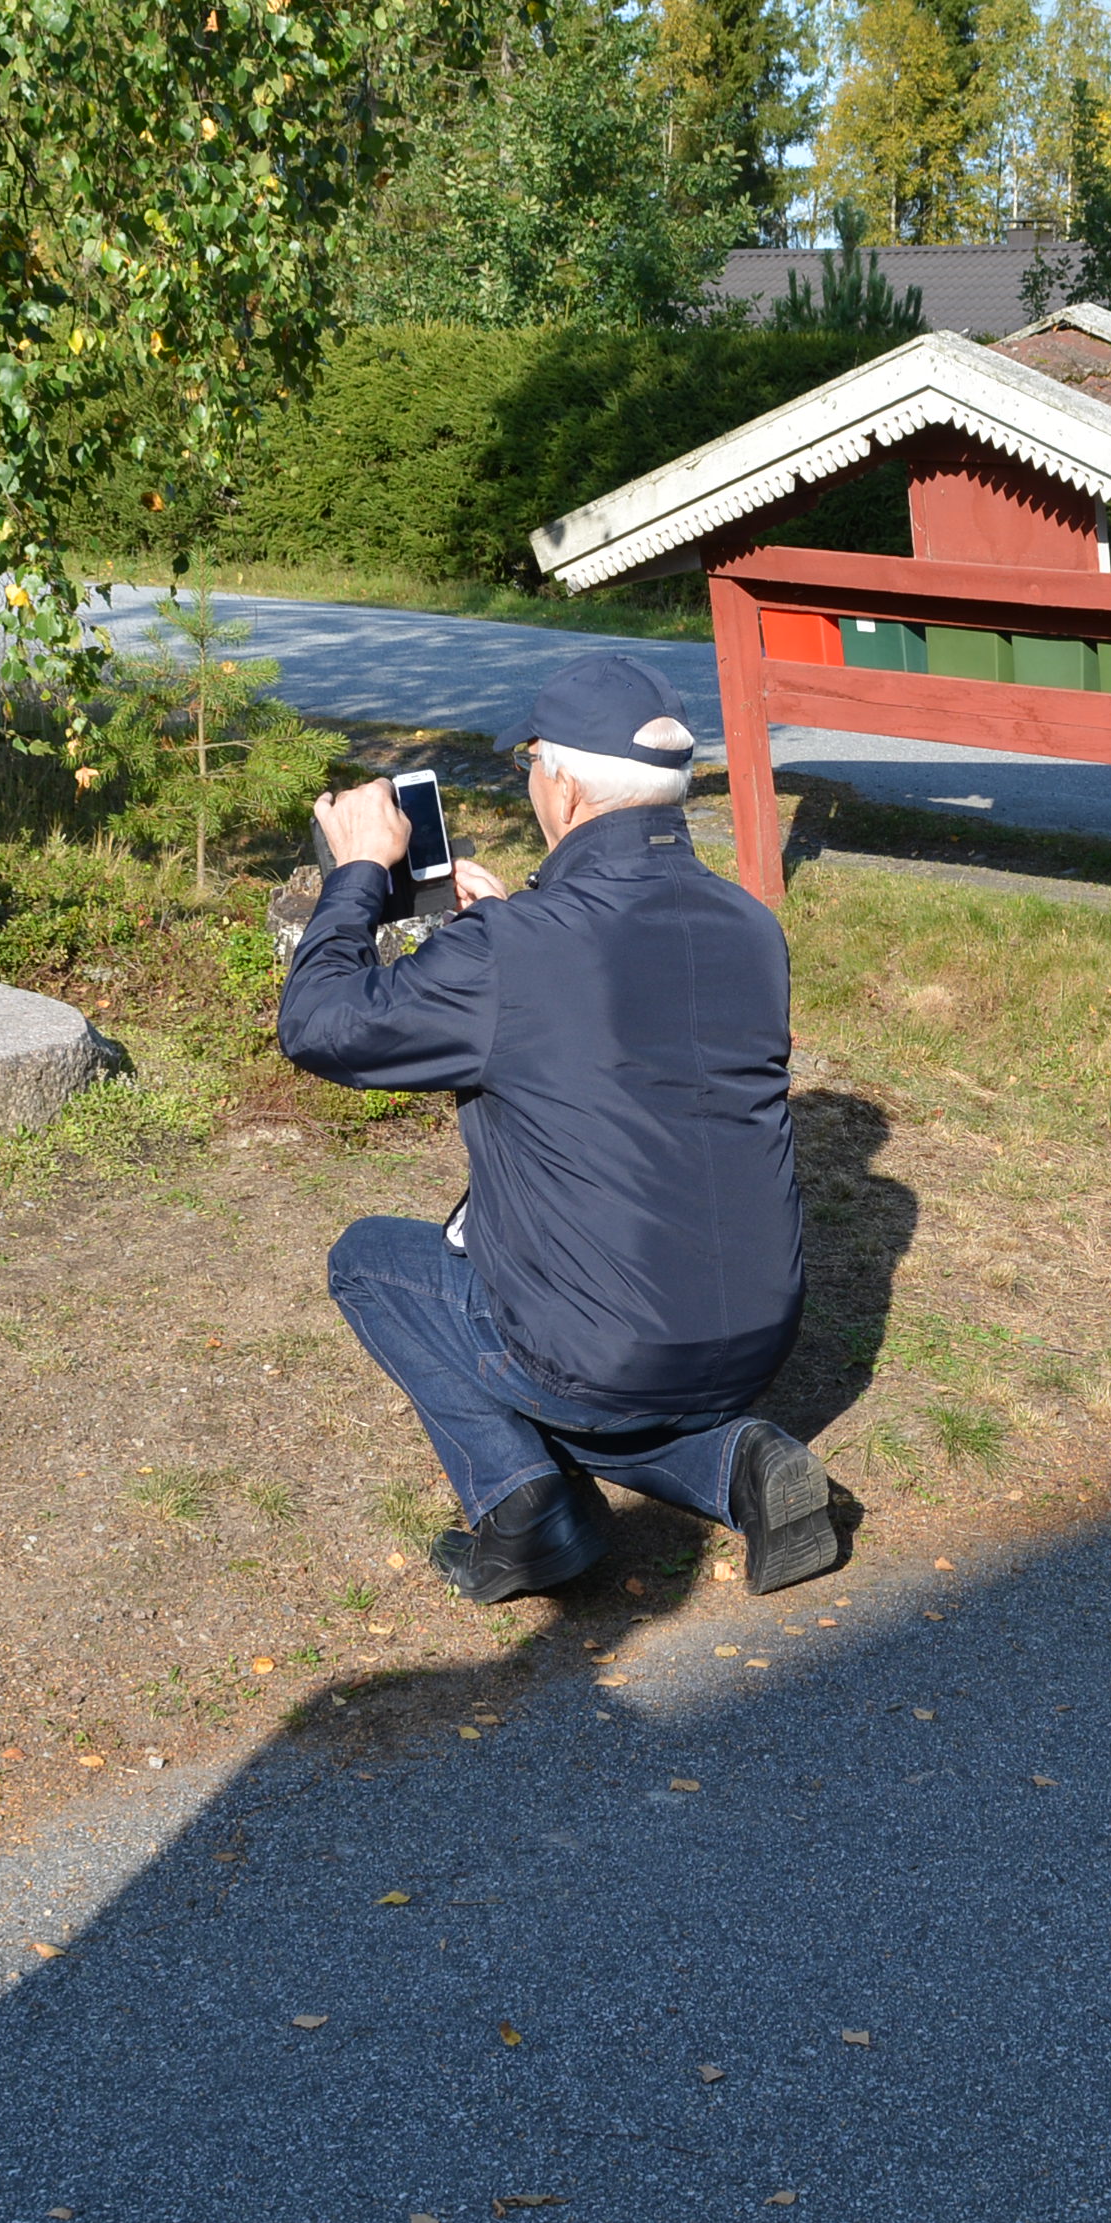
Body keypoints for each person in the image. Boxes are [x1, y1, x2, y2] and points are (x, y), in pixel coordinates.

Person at [278, 652, 843, 1604]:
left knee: (369, 1261)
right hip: (756, 1340)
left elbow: (319, 1023)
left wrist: (361, 873)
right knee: (607, 1384)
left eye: (530, 763)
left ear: (566, 787)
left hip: (602, 1354)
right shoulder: (750, 927)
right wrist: (510, 921)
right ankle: (740, 1461)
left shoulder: (515, 951)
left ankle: (524, 1506)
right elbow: (616, 1006)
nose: (531, 781)